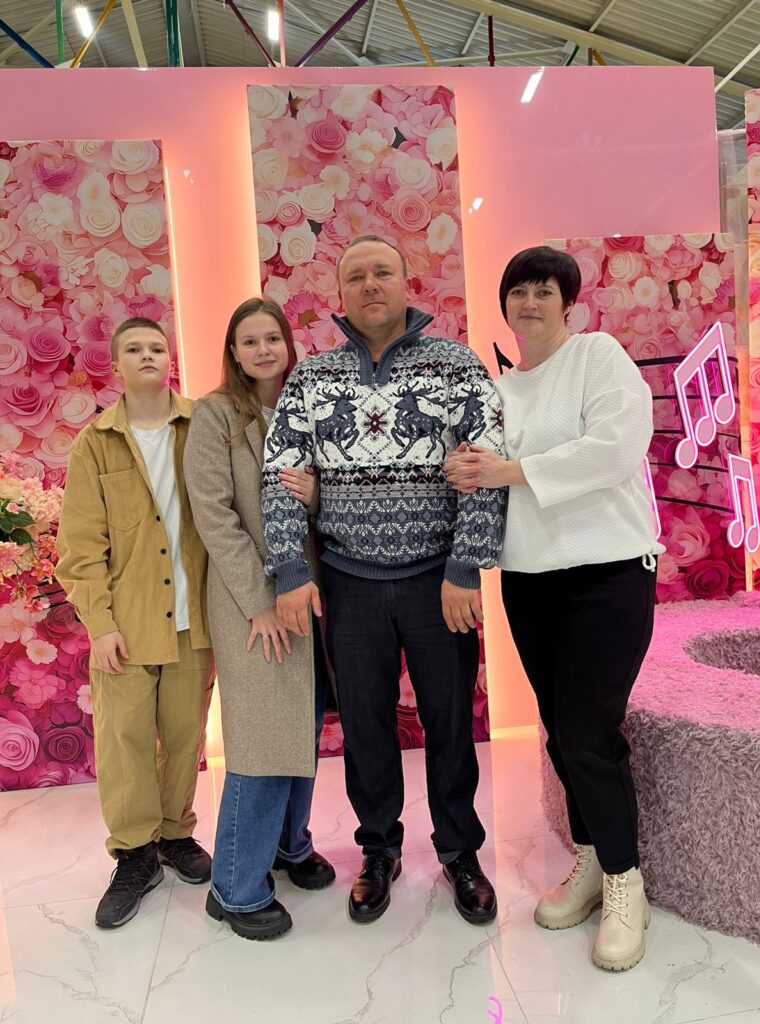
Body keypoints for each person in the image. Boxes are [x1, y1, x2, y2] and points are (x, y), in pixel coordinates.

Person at [261, 235, 507, 926]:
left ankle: (460, 852)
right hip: (349, 582)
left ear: (405, 282)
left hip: (438, 583)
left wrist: (465, 568)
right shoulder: (311, 381)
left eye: (382, 272)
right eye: (356, 276)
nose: (370, 284)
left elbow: (486, 467)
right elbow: (279, 478)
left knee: (450, 722)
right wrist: (289, 571)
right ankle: (379, 851)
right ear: (340, 293)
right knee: (366, 727)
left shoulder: (456, 366)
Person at [444, 245, 664, 971]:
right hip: (530, 580)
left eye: (544, 291)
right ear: (504, 306)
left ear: (568, 304)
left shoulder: (596, 357)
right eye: (519, 292)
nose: (530, 302)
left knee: (591, 730)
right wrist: (463, 468)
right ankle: (593, 859)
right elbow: (474, 471)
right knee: (561, 733)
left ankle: (627, 883)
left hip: (610, 573)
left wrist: (509, 470)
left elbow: (617, 447)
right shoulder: (498, 391)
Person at [183, 298, 335, 942]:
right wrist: (260, 602)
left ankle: (288, 844)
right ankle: (236, 887)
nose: (264, 349)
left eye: (272, 337)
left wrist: (318, 494)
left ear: (287, 344)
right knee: (261, 737)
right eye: (250, 341)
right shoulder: (215, 415)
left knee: (302, 722)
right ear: (234, 352)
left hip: (312, 593)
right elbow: (214, 516)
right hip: (251, 600)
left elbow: (337, 494)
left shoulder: (310, 406)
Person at [56, 317, 215, 929]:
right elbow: (80, 547)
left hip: (193, 619)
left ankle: (175, 834)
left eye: (156, 347)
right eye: (133, 349)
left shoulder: (202, 425)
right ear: (116, 364)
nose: (147, 355)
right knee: (123, 739)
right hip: (125, 622)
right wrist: (99, 624)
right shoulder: (95, 443)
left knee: (185, 733)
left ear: (169, 359)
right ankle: (134, 852)